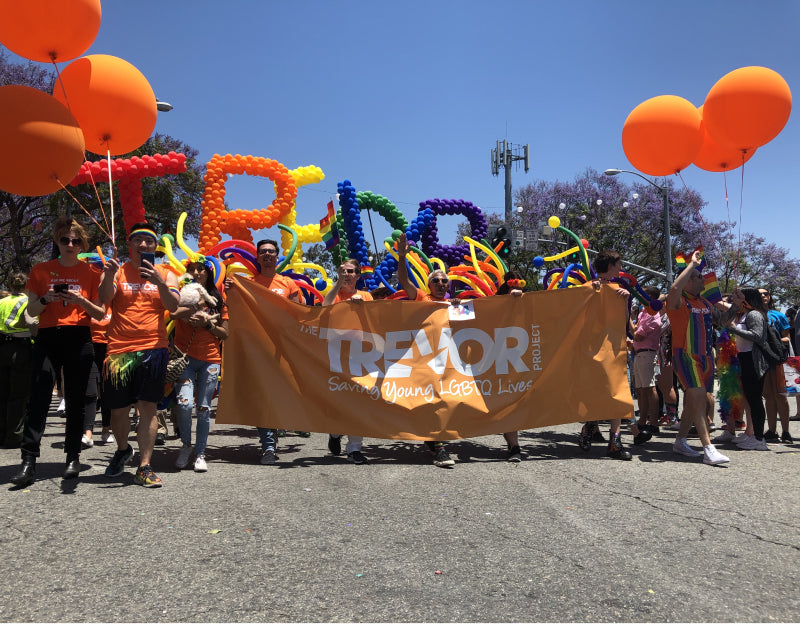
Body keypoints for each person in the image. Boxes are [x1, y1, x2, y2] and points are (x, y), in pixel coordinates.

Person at [11, 218, 105, 487]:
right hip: (48, 337)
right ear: (57, 241)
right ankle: (29, 461)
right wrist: (45, 299)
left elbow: (100, 314)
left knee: (76, 400)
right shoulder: (41, 270)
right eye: (65, 240)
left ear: (82, 244)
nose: (70, 245)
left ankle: (72, 457)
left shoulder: (91, 273)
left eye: (76, 241)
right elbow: (30, 312)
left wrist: (82, 300)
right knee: (39, 399)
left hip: (79, 337)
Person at [99, 223, 180, 487]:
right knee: (118, 411)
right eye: (138, 240)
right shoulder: (117, 270)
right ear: (129, 244)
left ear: (155, 246)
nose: (143, 245)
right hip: (119, 351)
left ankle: (144, 466)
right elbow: (104, 299)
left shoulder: (167, 273)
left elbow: (173, 306)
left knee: (148, 409)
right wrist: (108, 276)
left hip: (154, 348)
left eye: (148, 241)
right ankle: (123, 449)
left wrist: (158, 282)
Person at [665, 250, 732, 465]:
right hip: (686, 356)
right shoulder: (677, 301)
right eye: (697, 275)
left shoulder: (704, 302)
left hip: (706, 357)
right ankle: (708, 448)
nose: (703, 278)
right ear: (688, 280)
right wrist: (691, 265)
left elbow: (722, 321)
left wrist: (738, 305)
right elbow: (675, 287)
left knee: (694, 402)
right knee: (700, 400)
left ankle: (680, 441)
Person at [397, 232, 456, 468]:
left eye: (445, 281)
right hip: (423, 360)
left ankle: (433, 439)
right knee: (433, 400)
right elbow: (404, 281)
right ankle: (439, 447)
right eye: (436, 281)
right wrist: (402, 256)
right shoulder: (421, 297)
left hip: (448, 360)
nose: (441, 284)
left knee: (443, 400)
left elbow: (483, 323)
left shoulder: (455, 305)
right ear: (429, 284)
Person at [171, 259, 228, 472]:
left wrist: (208, 323)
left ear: (208, 274)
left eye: (200, 269)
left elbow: (225, 334)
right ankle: (186, 445)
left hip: (210, 359)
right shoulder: (180, 294)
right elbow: (172, 314)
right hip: (183, 358)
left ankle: (200, 452)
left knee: (204, 408)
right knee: (184, 405)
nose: (196, 272)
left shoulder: (218, 302)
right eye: (191, 269)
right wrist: (192, 308)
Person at [250, 238, 302, 465]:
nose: (268, 255)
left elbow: (298, 312)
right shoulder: (248, 283)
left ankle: (276, 429)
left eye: (271, 251)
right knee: (262, 397)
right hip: (258, 347)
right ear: (258, 257)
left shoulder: (288, 283)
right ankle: (268, 446)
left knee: (282, 394)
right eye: (263, 252)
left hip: (283, 349)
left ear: (277, 256)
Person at [577, 250, 632, 460]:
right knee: (599, 394)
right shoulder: (586, 288)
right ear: (609, 265)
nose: (621, 269)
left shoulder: (619, 290)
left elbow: (625, 322)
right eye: (619, 265)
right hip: (592, 351)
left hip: (615, 350)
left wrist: (624, 302)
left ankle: (614, 442)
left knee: (618, 394)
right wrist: (591, 294)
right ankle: (589, 427)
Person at [323, 259, 374, 464]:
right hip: (336, 355)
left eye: (351, 271)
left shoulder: (366, 296)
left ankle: (354, 448)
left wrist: (363, 308)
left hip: (361, 356)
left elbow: (376, 320)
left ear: (358, 275)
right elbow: (325, 306)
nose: (347, 274)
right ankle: (335, 433)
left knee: (359, 403)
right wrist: (337, 283)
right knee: (339, 401)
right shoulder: (334, 293)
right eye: (343, 271)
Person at [727, 287, 772, 451]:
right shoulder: (745, 313)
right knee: (751, 398)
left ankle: (759, 438)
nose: (734, 298)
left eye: (738, 295)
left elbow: (757, 336)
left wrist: (733, 328)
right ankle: (754, 436)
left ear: (746, 297)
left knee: (755, 399)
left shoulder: (754, 314)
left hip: (752, 360)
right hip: (744, 358)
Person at [494, 271, 525, 462]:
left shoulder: (530, 303)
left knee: (512, 404)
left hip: (519, 362)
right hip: (495, 362)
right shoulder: (494, 304)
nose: (517, 288)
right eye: (513, 284)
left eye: (520, 284)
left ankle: (514, 445)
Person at [0, 272, 33, 449]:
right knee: (18, 396)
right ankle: (14, 436)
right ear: (26, 286)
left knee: (2, 393)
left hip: (2, 347)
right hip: (21, 349)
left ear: (10, 285)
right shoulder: (28, 301)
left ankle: (2, 433)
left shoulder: (1, 302)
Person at [759, 288, 793, 444]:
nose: (763, 296)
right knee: (768, 395)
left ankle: (786, 432)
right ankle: (772, 431)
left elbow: (787, 338)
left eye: (765, 294)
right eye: (759, 295)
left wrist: (775, 340)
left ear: (769, 297)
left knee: (781, 395)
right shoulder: (754, 315)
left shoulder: (778, 316)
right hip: (761, 359)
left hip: (777, 358)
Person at [631, 286, 662, 444]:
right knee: (641, 389)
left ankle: (654, 422)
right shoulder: (643, 312)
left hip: (648, 352)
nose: (640, 297)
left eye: (644, 295)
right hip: (639, 353)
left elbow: (638, 335)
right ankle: (642, 420)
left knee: (650, 388)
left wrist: (628, 319)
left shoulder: (653, 315)